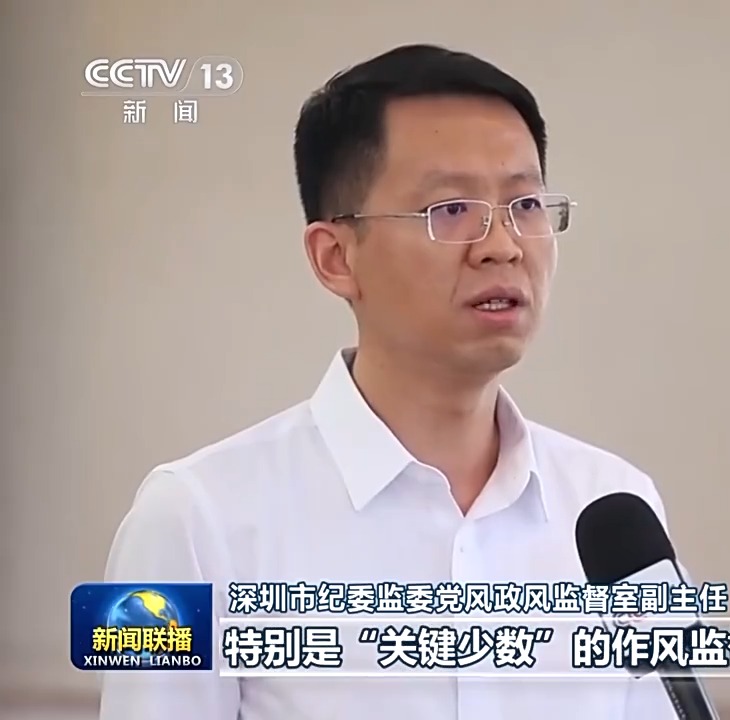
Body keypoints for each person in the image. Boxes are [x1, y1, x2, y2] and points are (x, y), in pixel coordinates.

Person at [100, 44, 679, 719]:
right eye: (451, 209)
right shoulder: (191, 520)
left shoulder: (617, 510)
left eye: (525, 203)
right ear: (336, 258)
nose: (503, 246)